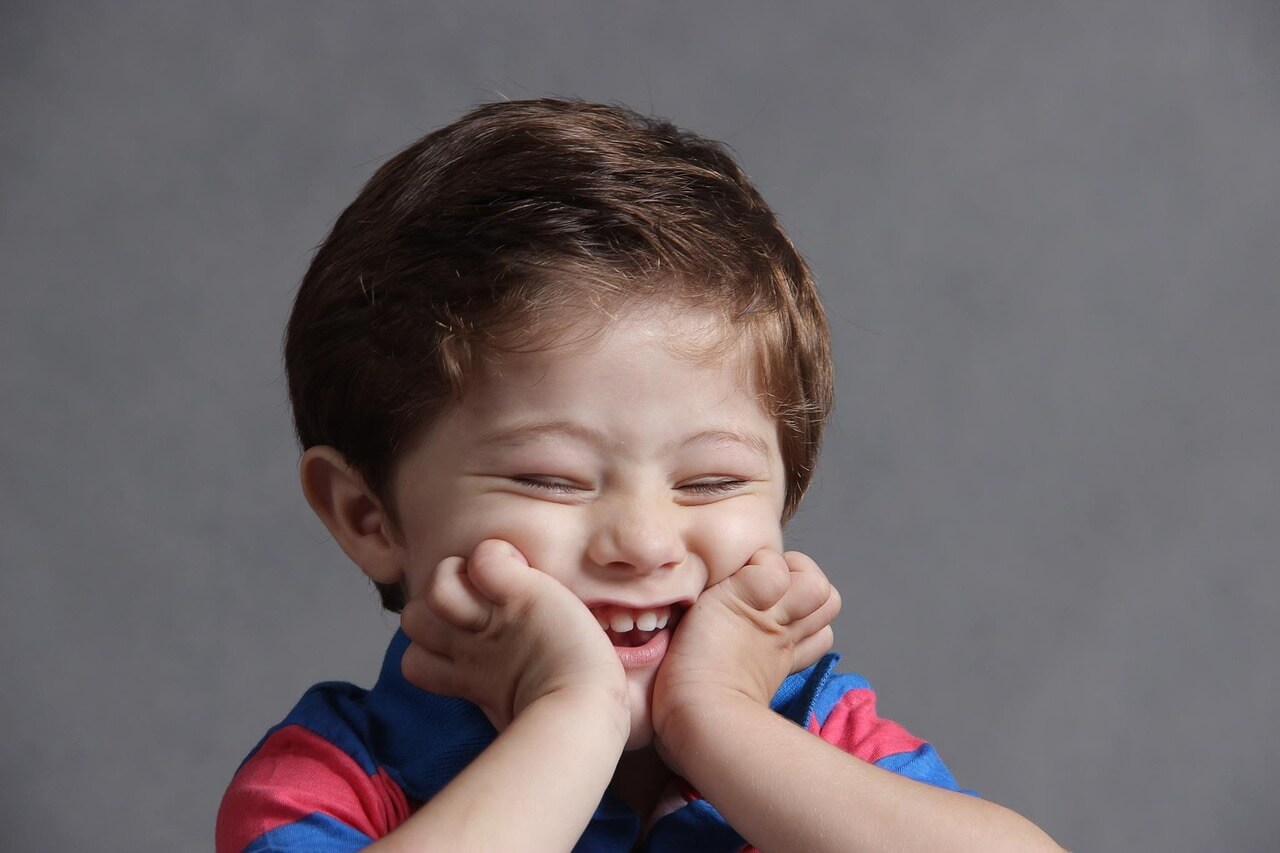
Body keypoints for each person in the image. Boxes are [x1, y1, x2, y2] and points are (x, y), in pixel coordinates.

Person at [216, 98, 1063, 852]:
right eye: (552, 479)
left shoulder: (821, 734)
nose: (644, 541)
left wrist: (718, 723)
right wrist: (570, 719)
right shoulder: (334, 779)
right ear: (368, 516)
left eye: (710, 482)